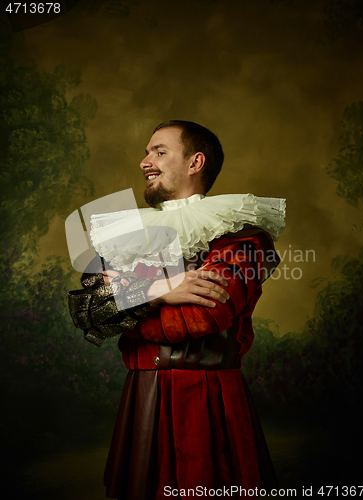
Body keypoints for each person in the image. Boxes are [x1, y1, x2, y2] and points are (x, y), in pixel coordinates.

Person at [68, 120, 286, 499]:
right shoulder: (128, 236)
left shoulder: (243, 236)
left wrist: (124, 297)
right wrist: (159, 289)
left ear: (195, 162)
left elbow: (204, 316)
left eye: (159, 151)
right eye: (147, 151)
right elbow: (87, 312)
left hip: (206, 396)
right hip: (142, 396)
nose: (144, 161)